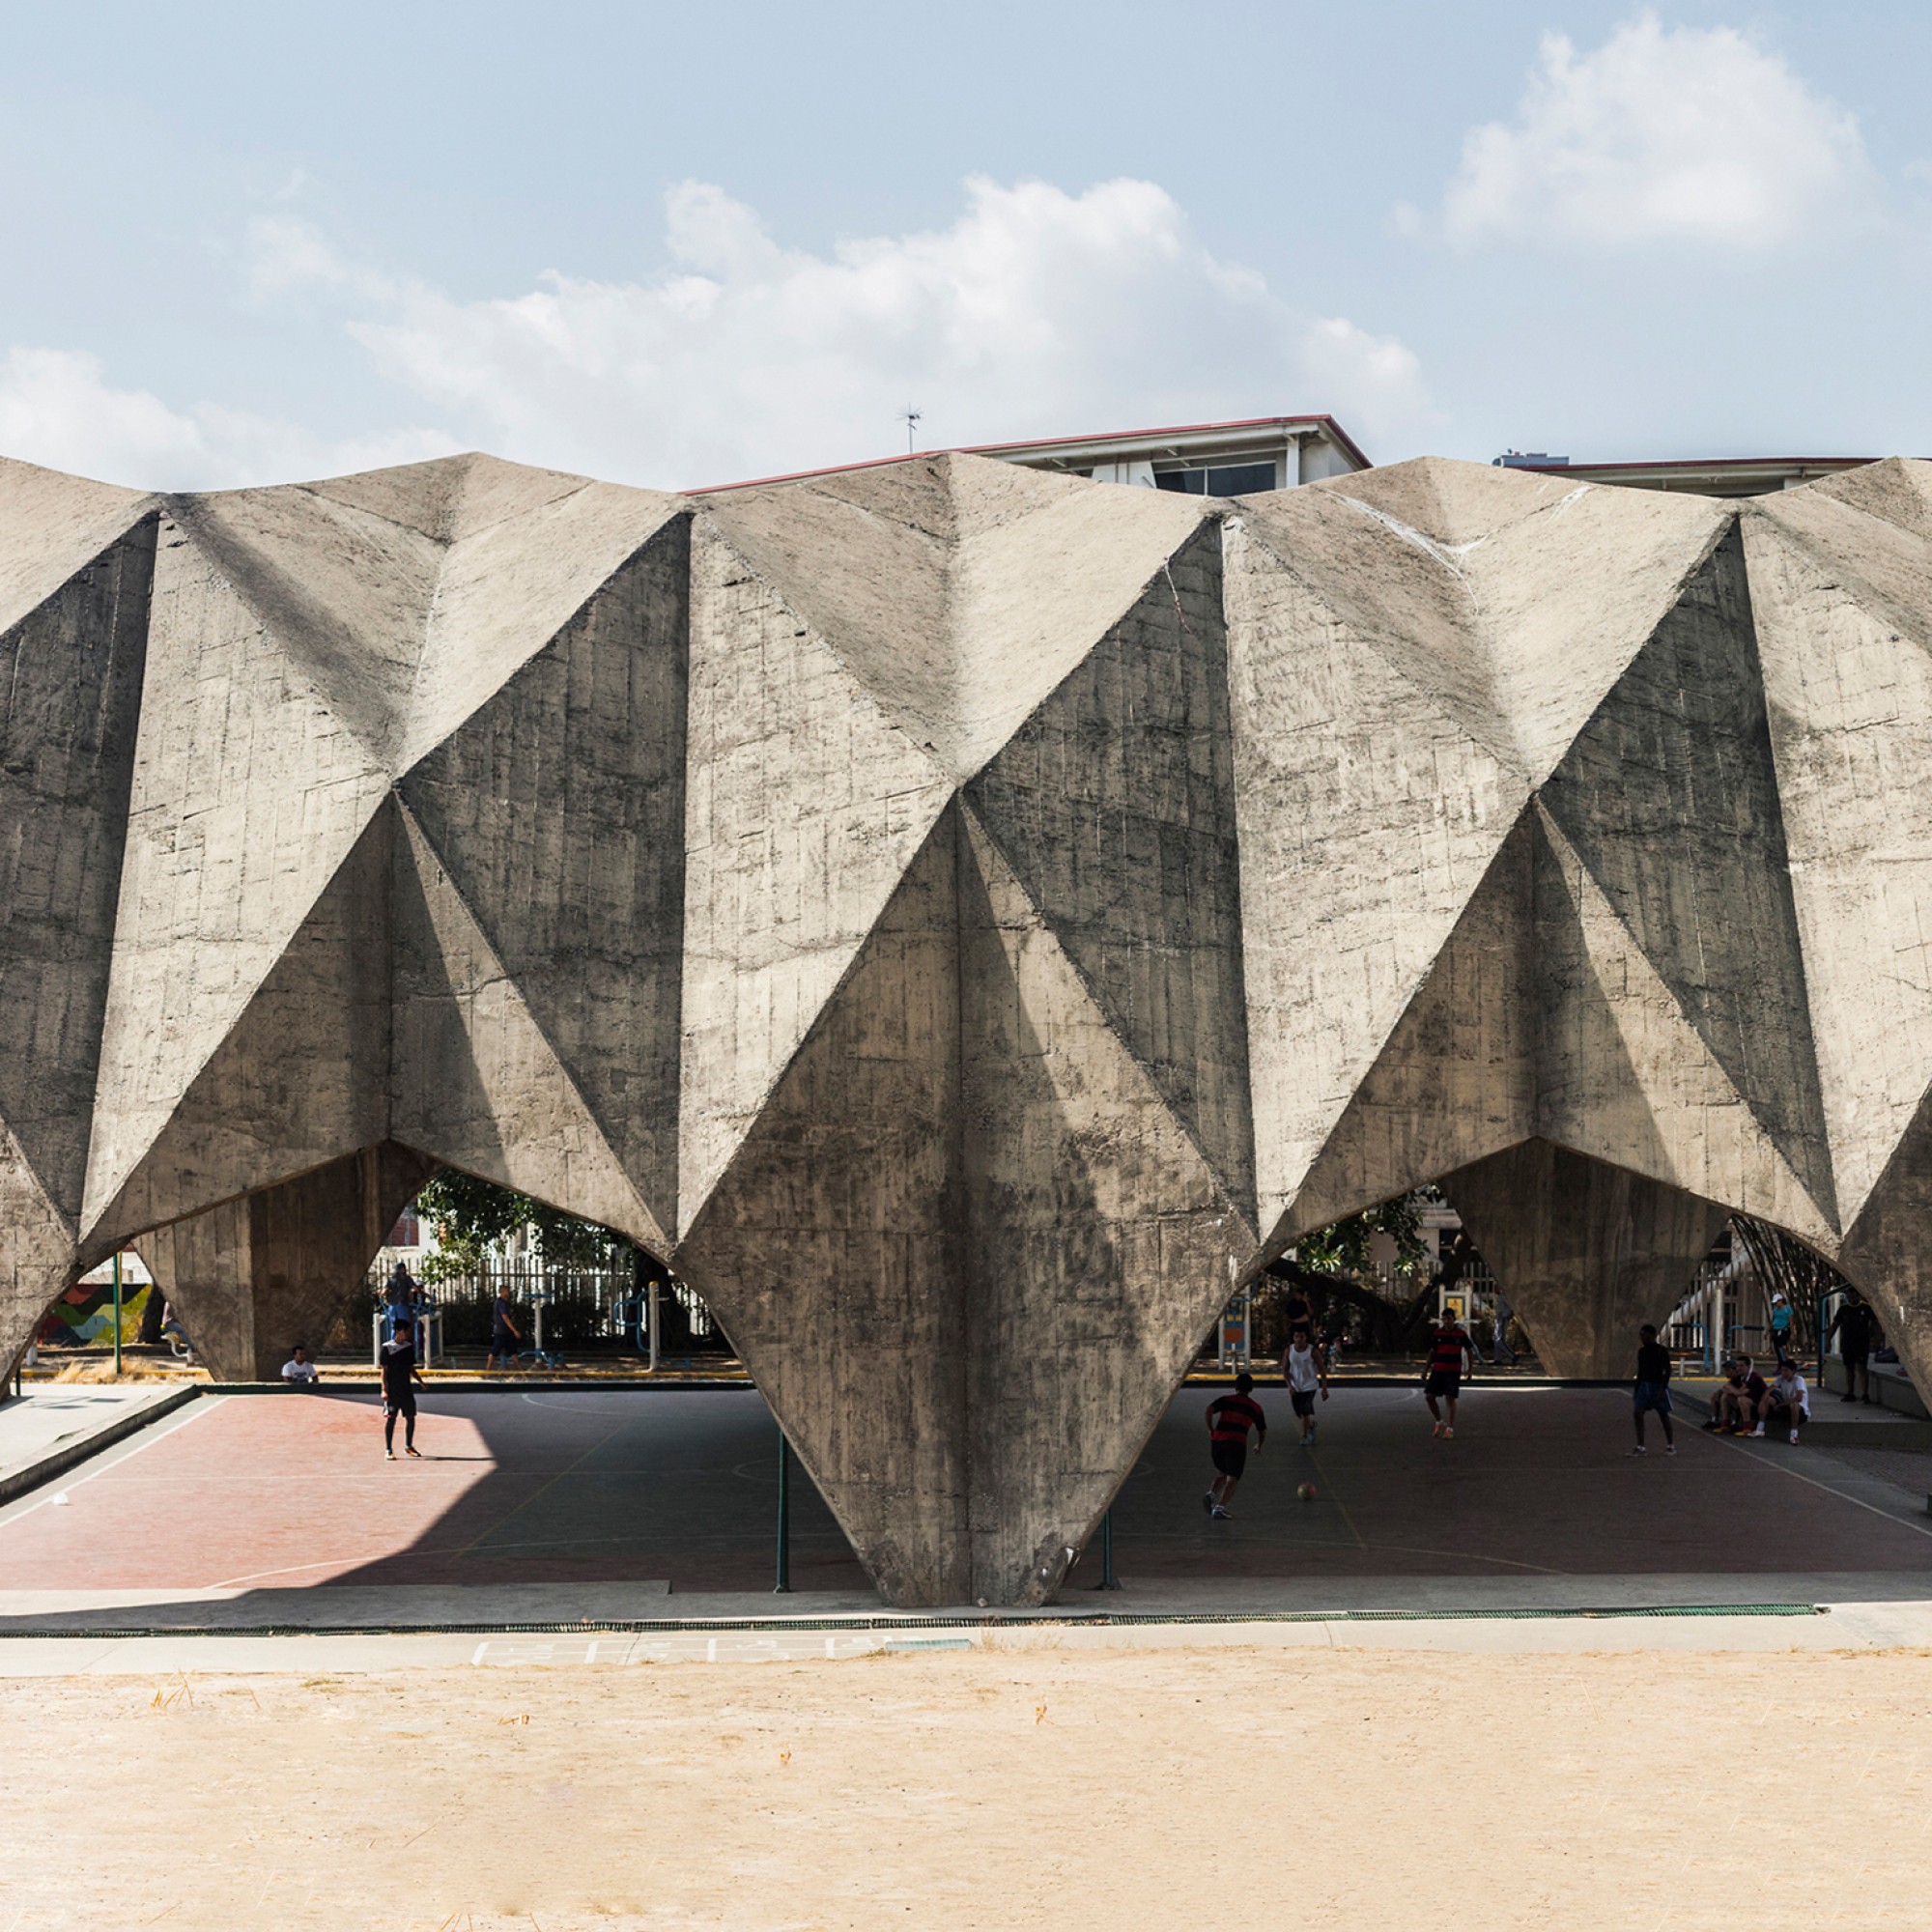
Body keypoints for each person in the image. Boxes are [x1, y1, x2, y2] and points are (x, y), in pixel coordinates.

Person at [1204, 1372, 1266, 1520]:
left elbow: (1208, 1410)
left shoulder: (1226, 1400)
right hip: (1236, 1443)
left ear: (1235, 1387)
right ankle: (1220, 1507)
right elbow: (1262, 1430)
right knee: (1233, 1478)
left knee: (1223, 1471)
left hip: (1217, 1441)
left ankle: (1211, 1494)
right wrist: (1259, 1445)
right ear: (1251, 1389)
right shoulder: (1255, 1408)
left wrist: (1210, 1429)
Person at [1423, 1307, 1478, 1438]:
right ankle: (1439, 1421)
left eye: (1449, 1319)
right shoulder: (1438, 1334)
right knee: (1429, 1396)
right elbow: (1432, 1352)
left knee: (1450, 1398)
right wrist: (1426, 1369)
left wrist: (1470, 1369)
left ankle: (1450, 1428)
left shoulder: (1460, 1334)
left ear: (1454, 1319)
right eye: (1444, 1319)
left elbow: (1469, 1351)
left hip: (1452, 1371)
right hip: (1438, 1369)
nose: (1447, 1322)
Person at [380, 1320, 426, 1460]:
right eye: (407, 1331)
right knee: (391, 1419)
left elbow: (411, 1368)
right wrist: (384, 1389)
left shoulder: (408, 1347)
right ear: (399, 1331)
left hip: (406, 1389)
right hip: (393, 1390)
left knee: (410, 1417)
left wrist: (421, 1382)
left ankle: (409, 1446)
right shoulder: (387, 1348)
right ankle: (388, 1449)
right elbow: (384, 1371)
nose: (408, 1334)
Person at [1629, 1323, 1675, 1455]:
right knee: (1638, 1413)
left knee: (1663, 1414)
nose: (1643, 1339)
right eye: (1642, 1336)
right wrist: (1637, 1388)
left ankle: (1670, 1444)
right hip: (1644, 1385)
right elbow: (1641, 1370)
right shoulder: (1642, 1352)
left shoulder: (1661, 1351)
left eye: (1646, 1336)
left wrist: (1663, 1387)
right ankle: (1640, 1445)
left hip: (1657, 1385)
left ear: (1653, 1336)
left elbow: (1667, 1370)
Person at [1282, 1325, 1328, 1446]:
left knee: (1305, 1411)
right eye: (1296, 1337)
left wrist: (1324, 1389)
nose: (1299, 1339)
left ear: (1306, 1338)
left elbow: (1322, 1370)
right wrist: (1290, 1386)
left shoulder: (1312, 1352)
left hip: (1310, 1386)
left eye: (1301, 1337)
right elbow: (1285, 1370)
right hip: (1296, 1386)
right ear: (1293, 1338)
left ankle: (1305, 1435)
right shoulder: (1289, 1351)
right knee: (1299, 1413)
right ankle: (1311, 1425)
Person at [1829, 1294, 1876, 1405]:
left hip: (1861, 1342)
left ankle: (1865, 1393)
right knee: (1849, 1367)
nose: (1852, 1298)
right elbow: (1835, 1324)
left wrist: (1876, 1338)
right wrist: (1828, 1339)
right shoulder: (1844, 1309)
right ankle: (1850, 1392)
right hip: (1848, 1342)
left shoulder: (1866, 1308)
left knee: (1862, 1367)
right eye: (1849, 1295)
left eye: (1853, 1295)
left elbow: (1875, 1323)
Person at [1755, 1359, 1809, 1444]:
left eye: (1786, 1371)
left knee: (1793, 1405)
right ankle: (1760, 1427)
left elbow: (1799, 1398)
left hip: (1799, 1411)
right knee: (1768, 1399)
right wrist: (1763, 1401)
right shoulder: (1781, 1378)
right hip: (1785, 1408)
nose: (1784, 1373)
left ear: (1793, 1371)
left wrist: (1781, 1405)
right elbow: (1769, 1390)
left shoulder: (1799, 1380)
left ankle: (1794, 1434)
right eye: (1782, 1370)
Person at [486, 1287, 523, 1370]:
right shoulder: (502, 1303)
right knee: (495, 1350)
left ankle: (520, 1370)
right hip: (502, 1331)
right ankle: (487, 1370)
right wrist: (515, 1330)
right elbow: (505, 1317)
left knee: (512, 1351)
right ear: (502, 1292)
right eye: (507, 1291)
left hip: (503, 1330)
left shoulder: (498, 1302)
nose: (508, 1293)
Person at [1490, 1292, 1518, 1368]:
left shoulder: (1504, 1296)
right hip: (1499, 1317)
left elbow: (1511, 1306)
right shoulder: (1498, 1297)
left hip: (1503, 1317)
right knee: (1496, 1339)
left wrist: (1509, 1314)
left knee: (1500, 1339)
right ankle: (1497, 1358)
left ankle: (1512, 1355)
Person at [1767, 1293, 1794, 1366]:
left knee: (1781, 1346)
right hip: (1776, 1329)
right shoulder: (1775, 1310)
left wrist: (1792, 1333)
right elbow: (1772, 1321)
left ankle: (1784, 1362)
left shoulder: (1787, 1309)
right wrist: (1767, 1332)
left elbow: (1791, 1321)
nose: (1776, 1304)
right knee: (1777, 1347)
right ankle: (1781, 1362)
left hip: (1784, 1329)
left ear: (1781, 1301)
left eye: (1777, 1302)